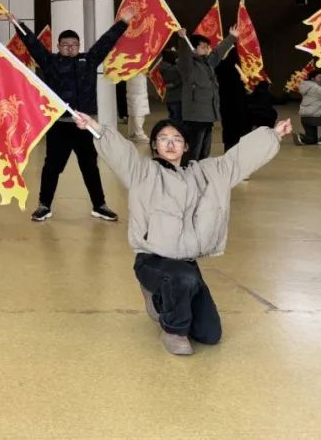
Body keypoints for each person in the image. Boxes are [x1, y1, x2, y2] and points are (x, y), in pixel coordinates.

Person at [74, 112, 289, 355]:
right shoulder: (142, 172)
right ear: (154, 145)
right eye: (163, 138)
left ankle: (160, 299)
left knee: (210, 334)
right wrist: (95, 127)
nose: (170, 143)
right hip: (152, 260)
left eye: (177, 139)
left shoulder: (207, 172)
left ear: (186, 146)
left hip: (186, 263)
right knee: (182, 279)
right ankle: (173, 331)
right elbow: (120, 153)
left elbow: (238, 159)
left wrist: (273, 135)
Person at [10, 11, 132, 223]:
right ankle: (44, 205)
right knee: (52, 167)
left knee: (90, 166)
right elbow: (33, 44)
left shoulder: (89, 60)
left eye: (74, 45)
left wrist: (123, 23)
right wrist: (18, 24)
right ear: (58, 46)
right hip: (59, 125)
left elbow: (106, 41)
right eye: (65, 45)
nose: (70, 48)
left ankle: (99, 205)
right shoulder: (50, 62)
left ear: (79, 45)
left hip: (84, 125)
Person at [176, 26, 239, 160]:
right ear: (194, 48)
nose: (206, 49)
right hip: (195, 117)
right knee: (193, 151)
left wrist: (232, 37)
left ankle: (201, 170)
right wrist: (183, 40)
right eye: (203, 47)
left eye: (207, 47)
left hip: (208, 115)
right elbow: (184, 55)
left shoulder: (208, 63)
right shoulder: (188, 67)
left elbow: (218, 52)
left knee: (204, 151)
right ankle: (189, 171)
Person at [294, 69, 321, 146]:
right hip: (313, 117)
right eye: (319, 77)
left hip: (304, 118)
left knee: (312, 140)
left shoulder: (306, 86)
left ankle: (300, 137)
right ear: (312, 79)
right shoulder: (314, 87)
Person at [158, 49, 183, 121]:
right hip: (177, 98)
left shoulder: (161, 68)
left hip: (168, 98)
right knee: (177, 119)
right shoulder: (174, 70)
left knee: (172, 116)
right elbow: (181, 79)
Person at [126, 72, 150, 143]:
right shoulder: (137, 66)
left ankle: (132, 133)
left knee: (133, 112)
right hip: (138, 88)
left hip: (133, 87)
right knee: (139, 112)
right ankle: (139, 134)